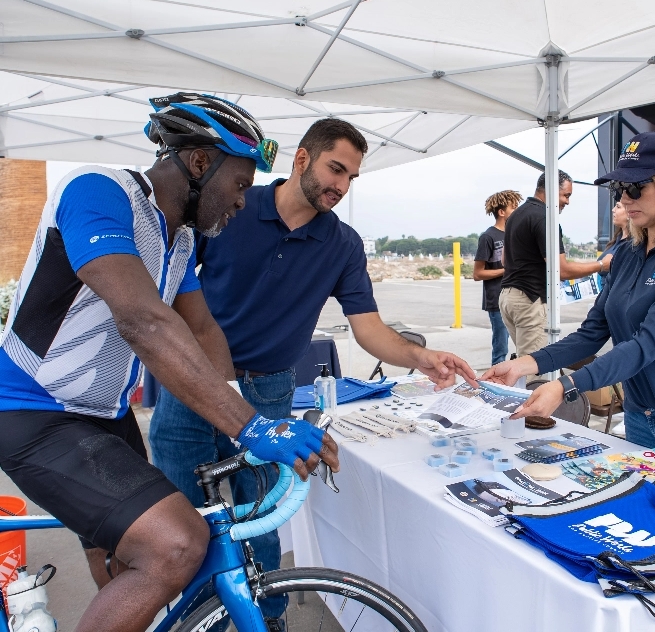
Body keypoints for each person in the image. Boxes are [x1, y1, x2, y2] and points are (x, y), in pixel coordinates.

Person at [0, 93, 340, 632]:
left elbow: (202, 329)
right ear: (200, 162)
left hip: (103, 413)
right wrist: (250, 426)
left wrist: (239, 421)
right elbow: (143, 320)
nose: (239, 202)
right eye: (238, 185)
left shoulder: (176, 237)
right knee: (176, 543)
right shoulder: (98, 190)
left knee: (121, 560)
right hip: (33, 410)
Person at [149, 117, 478, 620]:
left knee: (260, 522)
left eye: (351, 178)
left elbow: (368, 328)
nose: (342, 186)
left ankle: (270, 622)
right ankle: (201, 622)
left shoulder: (343, 244)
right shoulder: (233, 202)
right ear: (302, 158)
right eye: (335, 169)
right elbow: (169, 285)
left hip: (270, 392)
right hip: (193, 385)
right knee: (183, 526)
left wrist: (422, 357)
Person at [482, 131, 655, 477]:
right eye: (620, 187)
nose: (626, 197)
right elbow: (592, 333)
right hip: (640, 419)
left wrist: (566, 386)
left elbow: (647, 344)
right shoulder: (627, 254)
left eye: (637, 187)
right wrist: (525, 364)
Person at [498, 170, 612, 366]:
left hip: (508, 297)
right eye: (566, 195)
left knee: (525, 360)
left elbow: (504, 261)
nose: (567, 202)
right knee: (533, 368)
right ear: (550, 190)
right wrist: (602, 265)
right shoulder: (545, 218)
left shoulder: (516, 215)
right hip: (530, 299)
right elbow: (562, 270)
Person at [474, 190, 523, 366]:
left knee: (522, 346)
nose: (517, 210)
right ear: (501, 212)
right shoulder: (488, 237)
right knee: (501, 348)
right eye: (513, 207)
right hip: (496, 301)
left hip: (516, 298)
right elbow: (477, 274)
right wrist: (506, 270)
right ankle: (497, 382)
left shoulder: (515, 234)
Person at [597, 200, 629, 291]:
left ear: (629, 213)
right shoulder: (616, 240)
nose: (613, 210)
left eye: (618, 207)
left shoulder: (632, 245)